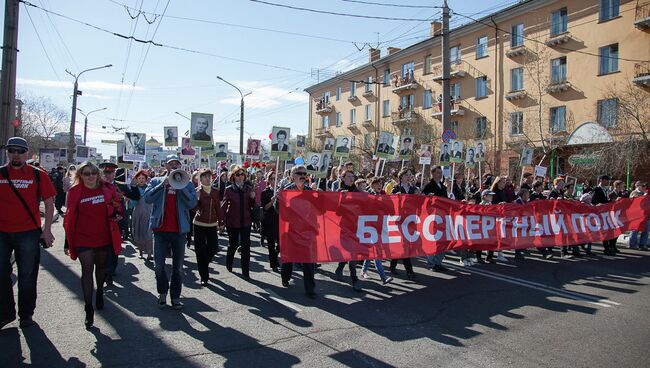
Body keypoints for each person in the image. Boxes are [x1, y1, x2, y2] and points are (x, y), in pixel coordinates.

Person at [0, 137, 56, 329]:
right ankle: (5, 313)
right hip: (2, 233)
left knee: (27, 274)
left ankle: (26, 314)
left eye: (20, 151)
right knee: (1, 273)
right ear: (7, 152)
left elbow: (49, 202)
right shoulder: (0, 174)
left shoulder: (38, 175)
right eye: (12, 150)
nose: (16, 154)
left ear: (26, 153)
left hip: (28, 233)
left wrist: (47, 230)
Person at [64, 161, 123, 327]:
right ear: (80, 176)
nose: (90, 177)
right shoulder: (75, 191)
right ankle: (88, 307)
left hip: (103, 236)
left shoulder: (107, 188)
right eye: (86, 173)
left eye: (93, 173)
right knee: (87, 269)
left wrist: (117, 214)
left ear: (98, 174)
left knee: (101, 267)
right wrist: (68, 241)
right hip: (82, 238)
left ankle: (100, 292)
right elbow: (69, 217)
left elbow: (117, 205)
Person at [144, 155, 198, 310]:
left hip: (179, 231)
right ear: (166, 166)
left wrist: (180, 188)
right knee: (159, 266)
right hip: (160, 230)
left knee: (178, 268)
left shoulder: (186, 184)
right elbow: (147, 198)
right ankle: (162, 293)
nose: (174, 166)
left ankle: (175, 297)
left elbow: (192, 203)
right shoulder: (155, 181)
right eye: (171, 164)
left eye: (176, 164)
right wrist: (163, 184)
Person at [100, 162, 140, 286]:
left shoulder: (120, 186)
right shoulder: (96, 186)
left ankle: (110, 272)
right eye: (105, 172)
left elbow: (135, 196)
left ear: (114, 174)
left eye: (110, 173)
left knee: (114, 248)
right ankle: (104, 271)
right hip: (100, 222)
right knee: (101, 249)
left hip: (116, 221)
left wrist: (133, 186)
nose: (108, 175)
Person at [280, 165, 317, 298]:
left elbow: (319, 209)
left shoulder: (310, 191)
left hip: (307, 231)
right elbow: (277, 208)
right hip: (291, 230)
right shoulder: (286, 191)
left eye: (304, 173)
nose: (302, 175)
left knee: (309, 260)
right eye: (299, 173)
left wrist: (320, 195)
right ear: (292, 176)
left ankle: (310, 289)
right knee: (289, 257)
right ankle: (285, 277)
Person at [222, 166, 256, 281]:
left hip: (246, 221)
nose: (241, 176)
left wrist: (253, 198)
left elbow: (252, 205)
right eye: (238, 174)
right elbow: (225, 205)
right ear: (233, 177)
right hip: (232, 221)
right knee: (233, 244)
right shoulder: (229, 189)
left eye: (242, 174)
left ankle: (245, 271)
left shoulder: (248, 189)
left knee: (246, 246)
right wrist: (221, 220)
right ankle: (229, 263)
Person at [193, 168, 223, 286]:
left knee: (213, 247)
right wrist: (196, 198)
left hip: (212, 224)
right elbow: (193, 209)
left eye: (209, 177)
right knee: (200, 251)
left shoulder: (215, 192)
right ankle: (204, 277)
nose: (207, 178)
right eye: (205, 177)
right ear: (200, 179)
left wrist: (221, 222)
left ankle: (204, 263)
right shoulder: (197, 191)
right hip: (199, 224)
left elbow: (218, 208)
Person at [334, 169, 363, 291]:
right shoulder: (339, 192)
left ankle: (340, 269)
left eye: (353, 176)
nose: (351, 178)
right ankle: (354, 279)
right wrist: (342, 199)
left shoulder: (358, 192)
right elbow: (336, 212)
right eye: (349, 176)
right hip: (344, 227)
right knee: (350, 253)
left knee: (352, 254)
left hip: (356, 226)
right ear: (343, 178)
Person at [389, 168, 418, 279]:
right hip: (399, 220)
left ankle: (392, 265)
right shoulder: (396, 188)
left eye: (410, 175)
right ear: (401, 176)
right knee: (404, 245)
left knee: (403, 244)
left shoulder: (413, 188)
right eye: (407, 175)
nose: (409, 177)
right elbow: (390, 202)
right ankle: (409, 271)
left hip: (410, 219)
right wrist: (397, 197)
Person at [422, 166, 450, 272]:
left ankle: (438, 262)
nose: (440, 174)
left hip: (442, 216)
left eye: (441, 172)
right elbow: (422, 200)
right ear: (433, 174)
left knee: (442, 240)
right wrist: (427, 197)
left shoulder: (443, 187)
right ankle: (431, 263)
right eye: (438, 172)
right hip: (431, 217)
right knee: (432, 240)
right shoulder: (428, 186)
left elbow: (446, 201)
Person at [130, 170, 154, 261]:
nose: (141, 180)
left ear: (146, 179)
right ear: (136, 179)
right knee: (138, 232)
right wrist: (131, 199)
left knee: (149, 234)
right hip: (138, 213)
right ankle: (140, 252)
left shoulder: (150, 188)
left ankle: (149, 253)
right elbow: (132, 204)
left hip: (148, 213)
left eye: (143, 178)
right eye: (139, 178)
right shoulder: (134, 189)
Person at [591, 175, 616, 255]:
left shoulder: (605, 189)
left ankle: (609, 247)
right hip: (599, 213)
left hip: (605, 212)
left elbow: (605, 201)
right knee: (604, 230)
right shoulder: (597, 189)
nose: (607, 182)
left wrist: (610, 201)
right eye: (606, 180)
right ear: (601, 180)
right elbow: (593, 201)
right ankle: (606, 248)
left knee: (609, 230)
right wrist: (599, 204)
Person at [261, 171, 280, 272]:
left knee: (281, 245)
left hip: (279, 221)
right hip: (269, 221)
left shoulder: (281, 191)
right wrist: (272, 201)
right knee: (271, 244)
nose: (274, 181)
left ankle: (275, 256)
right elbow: (265, 208)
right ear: (268, 180)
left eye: (275, 178)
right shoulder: (265, 192)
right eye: (271, 179)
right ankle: (273, 264)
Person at [629, 181, 649, 250]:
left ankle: (642, 244)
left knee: (646, 230)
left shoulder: (644, 193)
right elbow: (635, 201)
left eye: (644, 186)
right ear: (637, 186)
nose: (644, 187)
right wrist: (644, 196)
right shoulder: (634, 193)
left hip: (645, 215)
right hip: (636, 216)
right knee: (635, 230)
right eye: (642, 186)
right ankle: (632, 244)